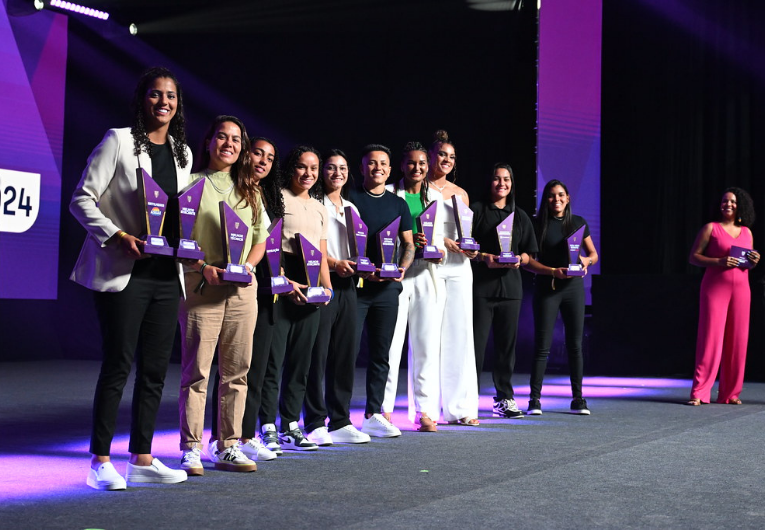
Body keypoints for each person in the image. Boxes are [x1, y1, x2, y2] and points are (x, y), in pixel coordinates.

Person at [70, 66, 190, 490]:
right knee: (118, 364)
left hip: (164, 273)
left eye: (171, 96)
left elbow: (179, 212)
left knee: (156, 369)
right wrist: (117, 235)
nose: (164, 102)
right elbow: (81, 199)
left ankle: (142, 457)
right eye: (156, 95)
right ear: (143, 99)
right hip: (123, 271)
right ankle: (99, 460)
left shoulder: (182, 153)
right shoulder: (118, 140)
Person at [178, 115, 268, 474]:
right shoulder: (190, 184)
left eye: (235, 139)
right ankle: (190, 448)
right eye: (221, 137)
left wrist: (248, 265)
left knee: (237, 372)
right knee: (197, 372)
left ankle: (228, 445)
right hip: (202, 287)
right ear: (209, 142)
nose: (228, 144)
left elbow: (261, 240)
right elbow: (180, 239)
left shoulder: (251, 190)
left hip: (243, 291)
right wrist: (203, 269)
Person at [210, 137, 281, 461]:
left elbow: (265, 241)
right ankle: (222, 438)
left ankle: (244, 433)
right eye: (258, 153)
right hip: (222, 281)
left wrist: (249, 267)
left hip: (257, 283)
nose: (263, 161)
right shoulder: (222, 186)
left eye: (269, 157)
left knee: (248, 365)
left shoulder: (263, 194)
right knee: (221, 366)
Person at [259, 146, 332, 452]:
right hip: (283, 278)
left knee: (301, 362)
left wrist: (327, 288)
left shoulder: (319, 207)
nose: (308, 174)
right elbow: (269, 243)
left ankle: (290, 423)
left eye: (314, 169)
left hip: (312, 283)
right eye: (302, 167)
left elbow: (322, 253)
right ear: (291, 168)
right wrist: (281, 280)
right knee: (273, 361)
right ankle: (267, 425)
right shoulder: (276, 198)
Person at [302, 149, 371, 445]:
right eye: (330, 168)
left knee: (345, 353)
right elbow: (314, 248)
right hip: (322, 283)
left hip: (349, 286)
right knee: (318, 354)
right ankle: (314, 420)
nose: (337, 173)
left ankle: (340, 419)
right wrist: (334, 264)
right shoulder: (314, 204)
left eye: (342, 168)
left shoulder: (352, 208)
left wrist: (363, 266)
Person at [348, 144, 415, 437]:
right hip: (355, 288)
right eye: (372, 163)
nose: (378, 168)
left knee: (381, 354)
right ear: (362, 168)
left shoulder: (398, 204)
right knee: (345, 352)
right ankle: (336, 416)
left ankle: (374, 413)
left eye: (383, 164)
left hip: (387, 289)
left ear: (390, 170)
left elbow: (409, 244)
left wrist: (402, 268)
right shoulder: (349, 197)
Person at [382, 141, 446, 432]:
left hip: (425, 274)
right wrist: (405, 243)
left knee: (425, 346)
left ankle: (425, 412)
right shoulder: (389, 195)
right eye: (411, 163)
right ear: (401, 166)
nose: (417, 168)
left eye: (422, 163)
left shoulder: (436, 197)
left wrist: (435, 248)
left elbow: (442, 240)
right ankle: (383, 410)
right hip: (396, 274)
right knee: (390, 345)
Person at [524, 179, 598, 415]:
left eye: (561, 195)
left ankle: (578, 399)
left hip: (573, 289)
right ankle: (534, 400)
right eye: (551, 195)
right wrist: (551, 271)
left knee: (575, 345)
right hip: (548, 287)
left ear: (567, 198)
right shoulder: (537, 225)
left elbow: (593, 254)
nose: (556, 199)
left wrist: (586, 261)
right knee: (542, 347)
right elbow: (528, 262)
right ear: (546, 199)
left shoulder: (578, 223)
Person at [470, 163, 538, 419]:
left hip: (511, 289)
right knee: (475, 346)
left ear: (512, 183)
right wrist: (484, 257)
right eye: (497, 179)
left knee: (506, 348)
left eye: (507, 179)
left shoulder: (520, 216)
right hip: (481, 288)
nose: (502, 184)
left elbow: (530, 254)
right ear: (490, 182)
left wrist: (521, 257)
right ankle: (468, 399)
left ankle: (504, 399)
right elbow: (465, 248)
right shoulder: (476, 210)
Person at [426, 130, 480, 426]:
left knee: (460, 334)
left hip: (460, 267)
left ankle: (461, 408)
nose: (446, 160)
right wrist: (445, 242)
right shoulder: (420, 189)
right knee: (430, 335)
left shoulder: (460, 193)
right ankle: (427, 409)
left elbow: (466, 233)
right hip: (432, 265)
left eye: (451, 156)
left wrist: (470, 249)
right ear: (431, 156)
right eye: (442, 154)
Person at [687, 187, 759, 405]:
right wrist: (718, 261)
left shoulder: (747, 232)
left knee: (738, 341)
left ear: (741, 206)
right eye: (725, 201)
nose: (728, 204)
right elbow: (694, 257)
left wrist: (753, 261)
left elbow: (746, 262)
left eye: (733, 202)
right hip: (715, 288)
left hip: (742, 290)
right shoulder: (711, 228)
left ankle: (730, 393)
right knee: (710, 339)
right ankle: (699, 393)